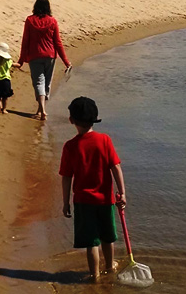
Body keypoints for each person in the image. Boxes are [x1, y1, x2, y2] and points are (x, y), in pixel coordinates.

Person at [59, 97, 126, 282]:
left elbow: (66, 177)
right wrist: (122, 192)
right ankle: (110, 266)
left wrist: (65, 202)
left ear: (71, 120)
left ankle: (94, 275)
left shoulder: (70, 146)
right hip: (105, 200)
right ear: (95, 118)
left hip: (83, 201)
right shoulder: (104, 140)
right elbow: (116, 167)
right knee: (107, 237)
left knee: (91, 242)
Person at [17, 0, 71, 120]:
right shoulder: (52, 21)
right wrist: (66, 62)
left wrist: (21, 60)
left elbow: (25, 41)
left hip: (35, 56)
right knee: (47, 83)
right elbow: (58, 42)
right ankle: (42, 110)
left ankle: (41, 110)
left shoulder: (30, 20)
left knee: (38, 82)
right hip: (50, 56)